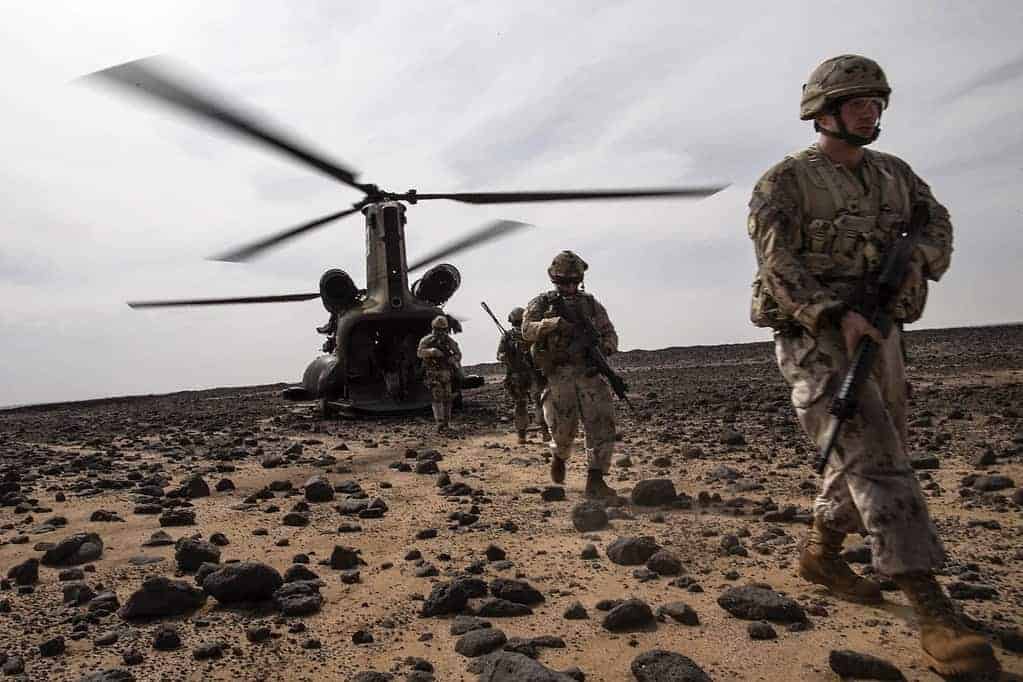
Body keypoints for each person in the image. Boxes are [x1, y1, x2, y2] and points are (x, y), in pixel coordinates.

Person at [747, 54, 999, 676]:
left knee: (875, 451)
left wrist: (921, 260)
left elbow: (934, 220)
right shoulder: (784, 182)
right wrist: (833, 313)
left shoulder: (895, 175)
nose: (871, 110)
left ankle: (823, 553)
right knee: (876, 458)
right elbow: (776, 266)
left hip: (881, 332)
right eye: (858, 101)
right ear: (824, 111)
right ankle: (930, 608)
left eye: (877, 102)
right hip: (817, 336)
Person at [522, 251, 619, 498]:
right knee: (563, 429)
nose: (570, 286)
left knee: (602, 424)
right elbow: (527, 330)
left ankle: (595, 479)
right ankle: (559, 456)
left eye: (574, 281)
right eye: (564, 281)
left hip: (588, 372)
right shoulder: (542, 303)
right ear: (555, 280)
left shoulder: (591, 305)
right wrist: (552, 324)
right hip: (559, 375)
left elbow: (609, 333)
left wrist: (604, 349)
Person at [497, 306, 550, 444]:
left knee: (539, 403)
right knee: (521, 404)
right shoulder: (507, 337)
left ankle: (545, 432)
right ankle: (522, 435)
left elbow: (542, 352)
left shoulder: (532, 335)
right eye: (516, 323)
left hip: (533, 373)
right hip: (516, 374)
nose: (517, 325)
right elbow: (499, 354)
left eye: (519, 322)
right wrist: (505, 356)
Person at [417, 316, 462, 433]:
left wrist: (453, 358)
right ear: (433, 328)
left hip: (446, 373)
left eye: (442, 330)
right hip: (433, 373)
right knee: (437, 398)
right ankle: (440, 424)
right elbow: (419, 353)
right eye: (437, 329)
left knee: (448, 398)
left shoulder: (449, 341)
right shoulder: (426, 340)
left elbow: (458, 354)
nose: (440, 332)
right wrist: (431, 352)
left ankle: (447, 423)